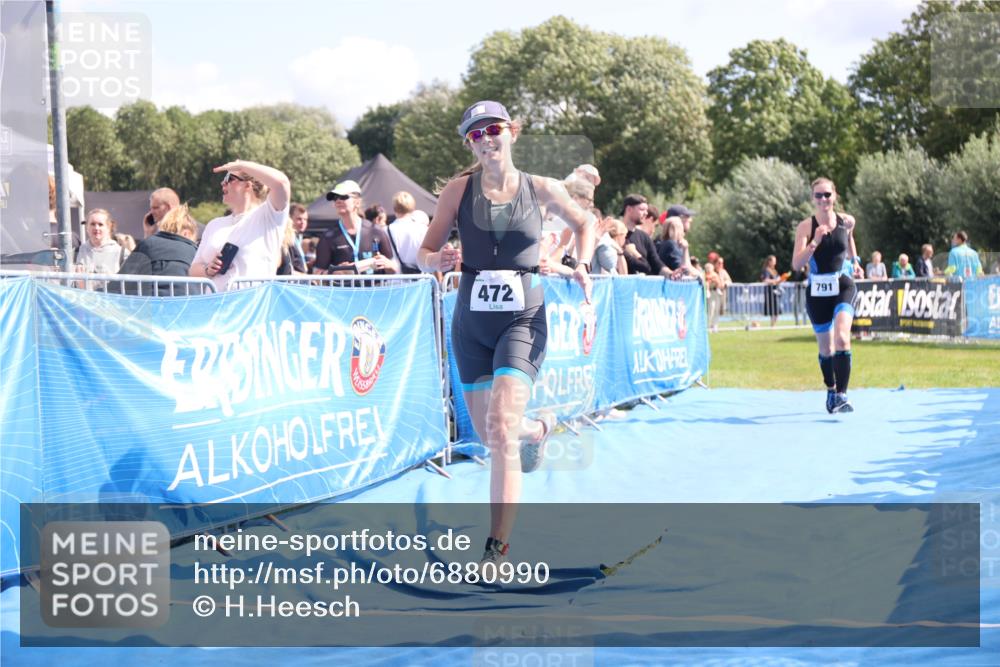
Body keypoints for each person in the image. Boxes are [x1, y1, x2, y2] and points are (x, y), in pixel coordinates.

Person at [417, 100, 594, 566]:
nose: (486, 139)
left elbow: (585, 222)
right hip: (470, 324)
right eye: (475, 135)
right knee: (490, 433)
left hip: (522, 319)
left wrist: (574, 262)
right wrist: (438, 260)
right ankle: (538, 428)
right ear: (469, 144)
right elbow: (424, 251)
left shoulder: (541, 188)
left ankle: (497, 545)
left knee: (498, 428)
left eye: (492, 129)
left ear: (512, 132)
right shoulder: (458, 191)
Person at [791, 177, 863, 414]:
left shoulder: (847, 220)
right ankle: (831, 391)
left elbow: (849, 239)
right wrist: (815, 242)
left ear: (835, 196)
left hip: (843, 285)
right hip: (817, 291)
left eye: (827, 195)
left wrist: (856, 262)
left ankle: (842, 394)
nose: (823, 199)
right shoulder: (806, 227)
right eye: (818, 195)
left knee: (842, 338)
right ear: (813, 199)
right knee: (826, 349)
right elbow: (796, 264)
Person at [189, 160, 291, 291]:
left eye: (229, 178)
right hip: (215, 305)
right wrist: (208, 270)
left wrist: (242, 165)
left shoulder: (268, 216)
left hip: (251, 307)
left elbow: (281, 183)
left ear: (247, 185)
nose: (223, 183)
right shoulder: (214, 224)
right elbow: (193, 270)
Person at [314, 180, 397, 276]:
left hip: (375, 290)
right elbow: (317, 275)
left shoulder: (376, 231)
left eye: (343, 197)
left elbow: (394, 270)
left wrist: (389, 265)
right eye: (335, 198)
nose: (338, 200)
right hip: (344, 290)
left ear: (357, 202)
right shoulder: (328, 236)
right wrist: (334, 273)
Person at [115, 204, 199, 294]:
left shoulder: (148, 244)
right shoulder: (195, 252)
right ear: (187, 233)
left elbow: (119, 283)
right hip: (188, 305)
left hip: (151, 304)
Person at [621, 194, 670, 277]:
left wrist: (671, 274)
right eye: (642, 209)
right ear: (629, 209)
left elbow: (656, 263)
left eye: (646, 210)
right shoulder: (615, 233)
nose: (646, 213)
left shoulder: (644, 237)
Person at [387, 191, 431, 274]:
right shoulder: (423, 229)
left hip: (396, 281)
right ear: (413, 207)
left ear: (395, 208)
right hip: (421, 280)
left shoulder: (387, 230)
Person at [76, 208, 127, 276]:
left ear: (108, 227)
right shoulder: (78, 251)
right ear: (87, 227)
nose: (96, 228)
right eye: (93, 224)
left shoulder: (121, 253)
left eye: (100, 224)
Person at [760, 255, 784, 327]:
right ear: (769, 262)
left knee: (777, 310)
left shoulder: (774, 270)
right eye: (774, 261)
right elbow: (765, 280)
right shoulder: (766, 270)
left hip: (776, 292)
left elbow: (777, 280)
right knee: (773, 310)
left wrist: (781, 279)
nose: (775, 263)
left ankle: (773, 325)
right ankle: (772, 325)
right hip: (770, 293)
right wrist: (775, 280)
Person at [288, 203, 310, 273]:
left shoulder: (298, 238)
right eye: (299, 219)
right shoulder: (287, 240)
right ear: (290, 219)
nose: (303, 222)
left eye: (305, 219)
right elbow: (287, 269)